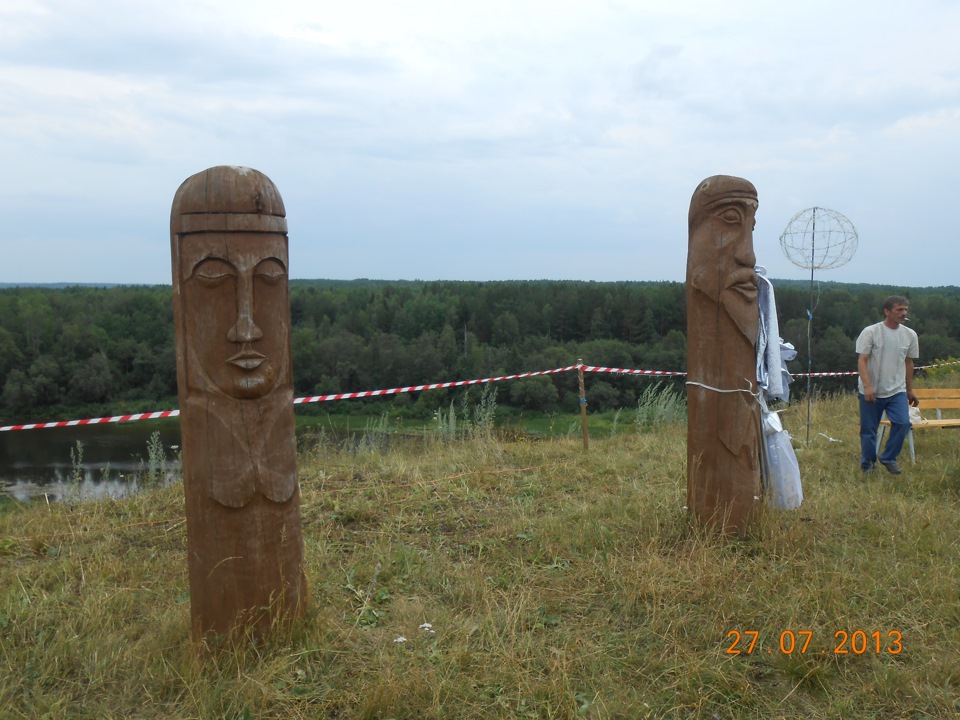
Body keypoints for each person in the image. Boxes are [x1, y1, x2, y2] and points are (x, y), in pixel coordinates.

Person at [856, 295, 919, 474]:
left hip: (896, 390)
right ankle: (868, 464)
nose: (903, 313)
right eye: (899, 309)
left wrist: (909, 390)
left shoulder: (910, 335)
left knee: (903, 423)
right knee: (869, 430)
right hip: (871, 390)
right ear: (887, 311)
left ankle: (888, 457)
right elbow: (862, 360)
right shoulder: (871, 332)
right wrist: (867, 386)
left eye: (905, 309)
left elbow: (909, 363)